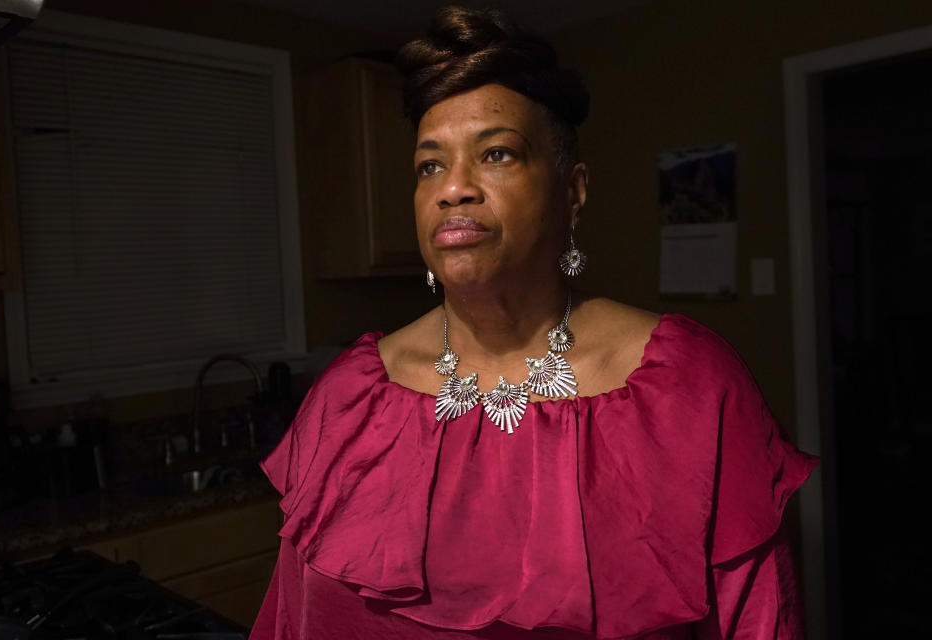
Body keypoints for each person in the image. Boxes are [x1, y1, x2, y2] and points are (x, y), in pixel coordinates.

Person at [250, 6, 817, 639]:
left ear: (572, 191)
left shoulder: (691, 388)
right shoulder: (347, 402)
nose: (453, 189)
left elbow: (761, 621)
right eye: (429, 165)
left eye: (496, 154)